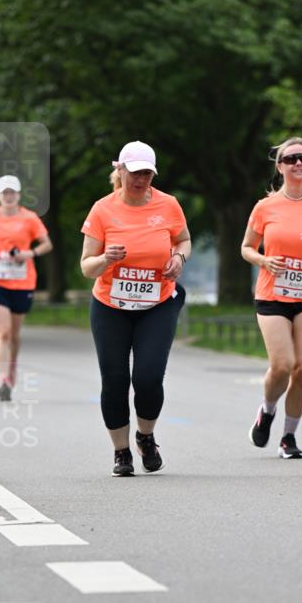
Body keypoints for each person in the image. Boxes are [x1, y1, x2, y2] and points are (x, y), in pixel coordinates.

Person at [80, 141, 191, 477]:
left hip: (156, 304)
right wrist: (105, 259)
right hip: (110, 305)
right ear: (120, 171)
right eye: (135, 172)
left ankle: (145, 436)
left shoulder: (168, 205)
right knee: (114, 380)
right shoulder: (102, 209)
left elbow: (183, 239)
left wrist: (178, 258)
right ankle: (121, 452)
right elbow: (86, 266)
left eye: (147, 173)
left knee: (148, 377)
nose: (141, 179)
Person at [241, 136, 302, 458]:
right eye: (292, 159)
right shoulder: (265, 207)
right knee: (282, 365)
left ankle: (289, 437)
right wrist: (263, 260)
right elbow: (245, 248)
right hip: (273, 294)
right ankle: (267, 409)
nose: (299, 163)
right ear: (280, 167)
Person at [0, 175, 52, 400]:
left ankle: (12, 367)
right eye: (4, 192)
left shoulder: (30, 218)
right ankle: (4, 379)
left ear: (18, 195)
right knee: (4, 331)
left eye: (12, 192)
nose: (8, 196)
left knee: (15, 335)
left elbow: (47, 244)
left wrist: (30, 253)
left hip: (22, 279)